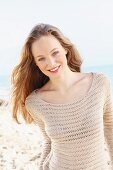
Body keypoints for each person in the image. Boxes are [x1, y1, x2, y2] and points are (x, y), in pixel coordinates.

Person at [11, 23, 113, 170]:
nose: (51, 63)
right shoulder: (35, 102)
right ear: (36, 63)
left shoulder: (99, 83)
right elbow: (48, 142)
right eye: (41, 58)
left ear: (65, 49)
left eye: (55, 53)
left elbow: (110, 127)